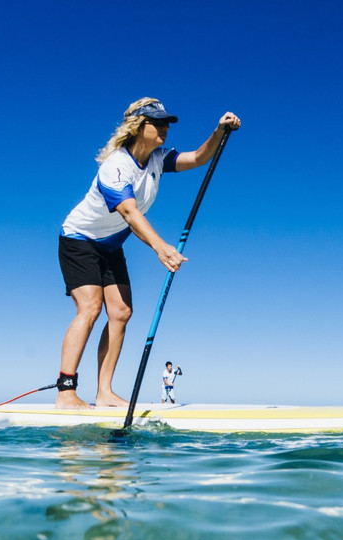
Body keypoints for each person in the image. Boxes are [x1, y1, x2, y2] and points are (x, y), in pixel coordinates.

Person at [55, 98, 241, 409]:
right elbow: (129, 212)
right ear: (139, 126)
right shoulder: (116, 166)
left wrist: (219, 131)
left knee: (121, 312)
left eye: (167, 122)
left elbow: (199, 157)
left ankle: (104, 392)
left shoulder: (158, 158)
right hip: (79, 239)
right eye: (158, 122)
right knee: (90, 308)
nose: (165, 127)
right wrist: (161, 247)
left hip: (110, 245)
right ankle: (66, 392)